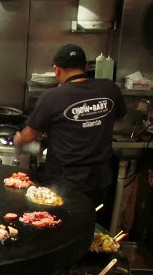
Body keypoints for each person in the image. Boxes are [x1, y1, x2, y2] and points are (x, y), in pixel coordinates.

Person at [13, 44, 126, 222]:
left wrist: (18, 139)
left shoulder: (52, 97)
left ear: (57, 70)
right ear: (86, 66)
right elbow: (118, 116)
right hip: (100, 179)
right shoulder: (110, 88)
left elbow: (29, 135)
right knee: (92, 224)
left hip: (65, 181)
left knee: (62, 226)